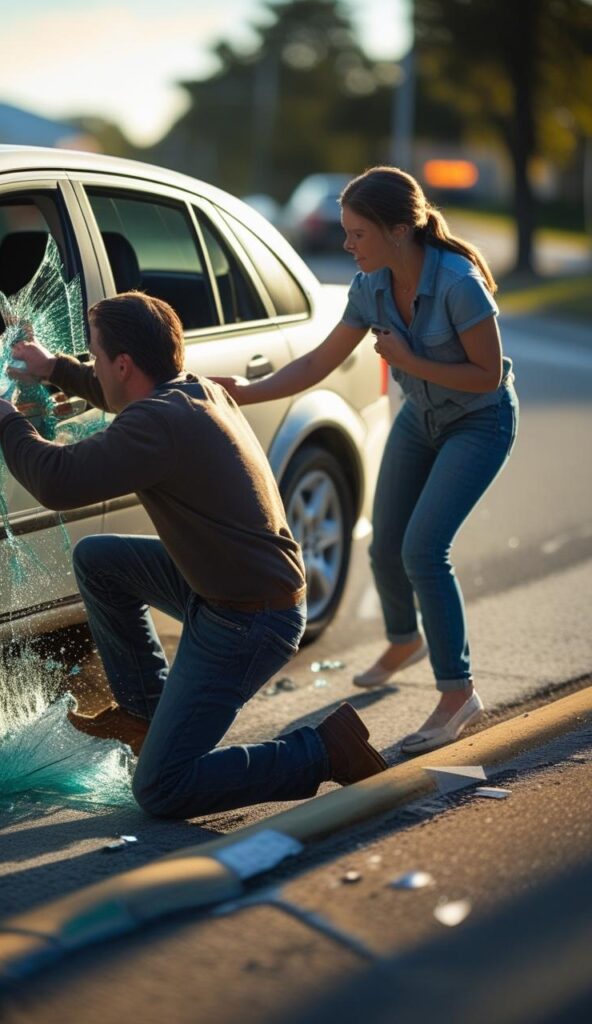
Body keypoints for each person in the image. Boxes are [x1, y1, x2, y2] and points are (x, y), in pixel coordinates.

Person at [0, 290, 387, 819]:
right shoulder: (191, 392)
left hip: (250, 621)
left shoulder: (157, 423)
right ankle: (147, 715)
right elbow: (112, 390)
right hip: (223, 587)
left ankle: (325, 750)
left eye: (96, 355)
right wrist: (56, 368)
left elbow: (60, 481)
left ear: (124, 363)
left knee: (162, 788)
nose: (93, 365)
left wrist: (9, 424)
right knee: (100, 560)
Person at [213, 166, 518, 756]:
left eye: (358, 233)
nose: (347, 243)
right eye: (347, 232)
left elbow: (484, 380)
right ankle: (405, 638)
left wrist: (406, 356)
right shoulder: (370, 285)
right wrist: (244, 392)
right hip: (421, 419)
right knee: (382, 545)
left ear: (400, 230)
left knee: (424, 550)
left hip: (478, 423)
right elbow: (317, 364)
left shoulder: (458, 283)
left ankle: (458, 694)